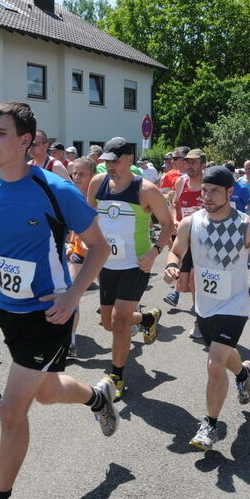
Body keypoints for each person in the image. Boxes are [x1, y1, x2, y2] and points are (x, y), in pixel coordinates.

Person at [0, 102, 117, 499]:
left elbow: (99, 248)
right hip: (8, 310)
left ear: (25, 141)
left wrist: (73, 296)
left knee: (11, 408)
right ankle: (97, 397)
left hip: (49, 313)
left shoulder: (55, 191)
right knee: (49, 392)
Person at [164, 165, 250, 451]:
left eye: (214, 191)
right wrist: (172, 266)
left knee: (213, 365)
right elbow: (175, 250)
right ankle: (243, 373)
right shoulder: (191, 223)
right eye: (204, 191)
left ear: (229, 192)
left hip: (235, 304)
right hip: (205, 305)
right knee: (223, 358)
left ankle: (209, 426)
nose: (207, 196)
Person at [88, 137, 174, 399]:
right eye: (106, 161)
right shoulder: (97, 183)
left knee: (119, 320)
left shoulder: (146, 189)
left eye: (114, 161)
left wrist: (155, 253)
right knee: (107, 323)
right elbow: (88, 214)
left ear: (129, 160)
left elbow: (168, 225)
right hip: (107, 263)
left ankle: (116, 375)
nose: (109, 165)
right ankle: (148, 318)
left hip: (136, 263)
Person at [163, 149, 205, 315]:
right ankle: (179, 294)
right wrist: (174, 219)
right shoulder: (181, 182)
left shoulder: (209, 184)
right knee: (185, 276)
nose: (189, 166)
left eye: (194, 162)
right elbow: (175, 205)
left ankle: (198, 314)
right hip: (185, 237)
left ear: (203, 165)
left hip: (205, 239)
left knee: (196, 279)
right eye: (187, 162)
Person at [67, 157, 98, 357]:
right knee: (71, 294)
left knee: (111, 309)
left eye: (82, 174)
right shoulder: (72, 196)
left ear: (93, 177)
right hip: (79, 253)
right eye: (74, 174)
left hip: (103, 257)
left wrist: (95, 243)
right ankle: (70, 342)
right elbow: (74, 226)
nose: (76, 178)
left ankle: (140, 317)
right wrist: (71, 243)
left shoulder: (100, 199)